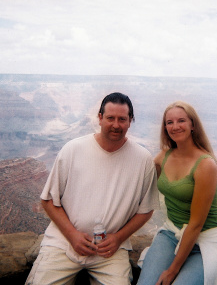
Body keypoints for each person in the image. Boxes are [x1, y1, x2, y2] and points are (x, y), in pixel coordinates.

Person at [26, 92, 160, 285]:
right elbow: (48, 200)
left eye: (122, 119)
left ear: (131, 121)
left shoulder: (143, 159)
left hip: (110, 251)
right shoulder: (73, 150)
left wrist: (118, 238)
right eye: (110, 118)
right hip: (63, 243)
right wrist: (72, 236)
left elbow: (146, 210)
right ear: (99, 118)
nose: (116, 125)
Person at [137, 101, 217, 285]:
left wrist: (172, 270)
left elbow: (195, 224)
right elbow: (138, 184)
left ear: (192, 125)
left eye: (181, 121)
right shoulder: (164, 156)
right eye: (169, 122)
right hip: (172, 233)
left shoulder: (205, 164)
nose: (175, 126)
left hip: (205, 239)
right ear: (165, 127)